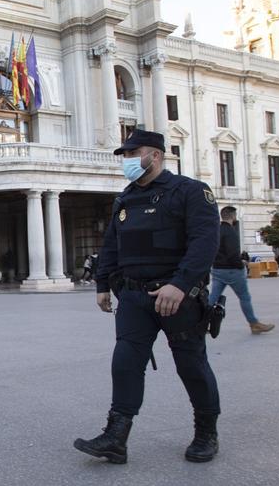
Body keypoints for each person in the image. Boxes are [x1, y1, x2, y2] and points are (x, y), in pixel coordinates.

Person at [74, 129, 221, 464]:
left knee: (191, 365)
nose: (127, 161)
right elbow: (111, 245)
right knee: (125, 363)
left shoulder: (190, 192)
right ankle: (116, 438)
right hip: (134, 298)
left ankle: (206, 432)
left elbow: (204, 244)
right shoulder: (124, 199)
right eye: (124, 156)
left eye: (132, 153)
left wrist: (181, 285)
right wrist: (101, 285)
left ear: (154, 155)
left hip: (178, 297)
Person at [209, 207, 275, 335]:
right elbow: (232, 253)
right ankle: (254, 324)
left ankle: (201, 323)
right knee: (244, 297)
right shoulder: (231, 232)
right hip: (232, 271)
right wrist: (241, 264)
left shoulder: (216, 230)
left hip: (217, 269)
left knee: (212, 298)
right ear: (233, 216)